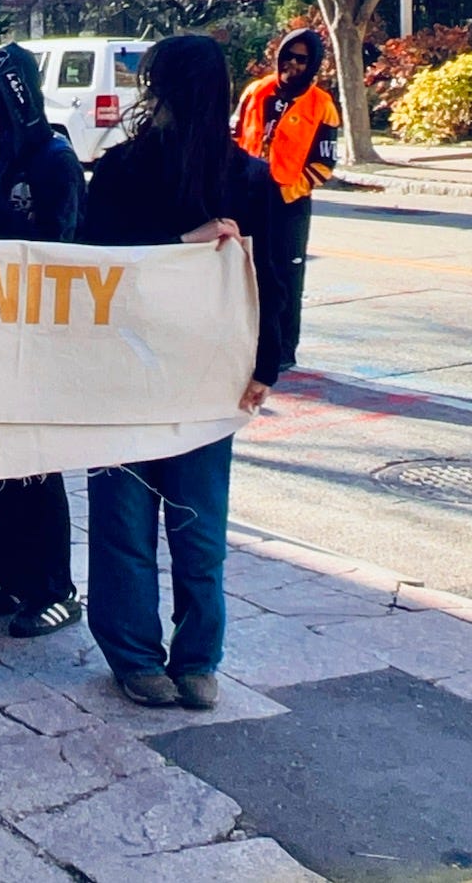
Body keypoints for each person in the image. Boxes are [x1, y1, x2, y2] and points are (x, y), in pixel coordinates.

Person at [80, 35, 284, 712]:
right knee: (196, 523)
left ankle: (142, 658)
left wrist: (264, 362)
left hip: (135, 374)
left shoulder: (127, 171)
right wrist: (265, 366)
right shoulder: (241, 175)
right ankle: (194, 660)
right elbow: (278, 284)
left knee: (128, 523)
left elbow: (90, 274)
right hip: (203, 374)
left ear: (156, 89)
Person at [0, 44, 87, 637]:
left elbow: (56, 257)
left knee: (36, 467)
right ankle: (11, 576)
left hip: (41, 339)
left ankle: (55, 588)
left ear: (11, 96)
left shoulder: (54, 161)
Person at [233, 27, 339, 371]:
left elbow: (324, 164)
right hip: (246, 197)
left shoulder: (321, 104)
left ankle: (282, 350)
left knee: (284, 279)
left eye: (302, 59)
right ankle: (247, 344)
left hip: (288, 205)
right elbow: (235, 137)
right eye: (288, 56)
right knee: (244, 274)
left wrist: (285, 191)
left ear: (313, 65)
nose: (293, 64)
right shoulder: (256, 92)